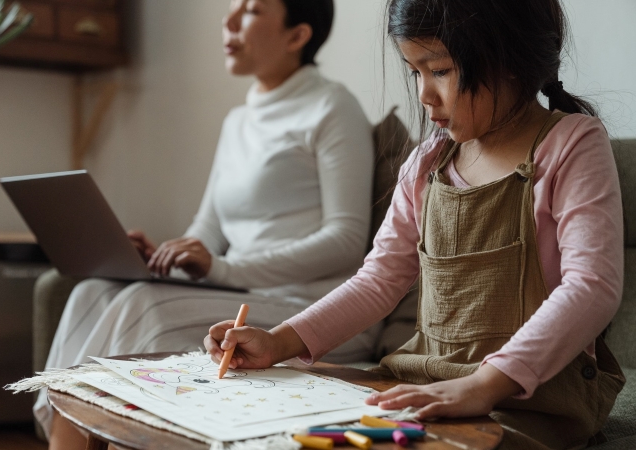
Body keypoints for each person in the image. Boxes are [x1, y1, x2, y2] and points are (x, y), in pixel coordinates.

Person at [205, 0, 626, 448]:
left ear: (510, 59)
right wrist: (278, 342)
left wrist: (483, 385)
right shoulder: (426, 161)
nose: (424, 94)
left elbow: (593, 286)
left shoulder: (571, 144)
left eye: (440, 70)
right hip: (426, 377)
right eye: (415, 72)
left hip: (531, 397)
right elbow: (378, 280)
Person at [38, 0, 382, 448]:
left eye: (253, 11)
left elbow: (347, 240)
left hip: (307, 308)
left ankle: (87, 439)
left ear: (298, 36)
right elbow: (209, 229)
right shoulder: (237, 121)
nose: (230, 21)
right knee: (91, 291)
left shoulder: (333, 107)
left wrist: (221, 269)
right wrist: (170, 256)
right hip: (241, 294)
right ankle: (68, 437)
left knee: (143, 305)